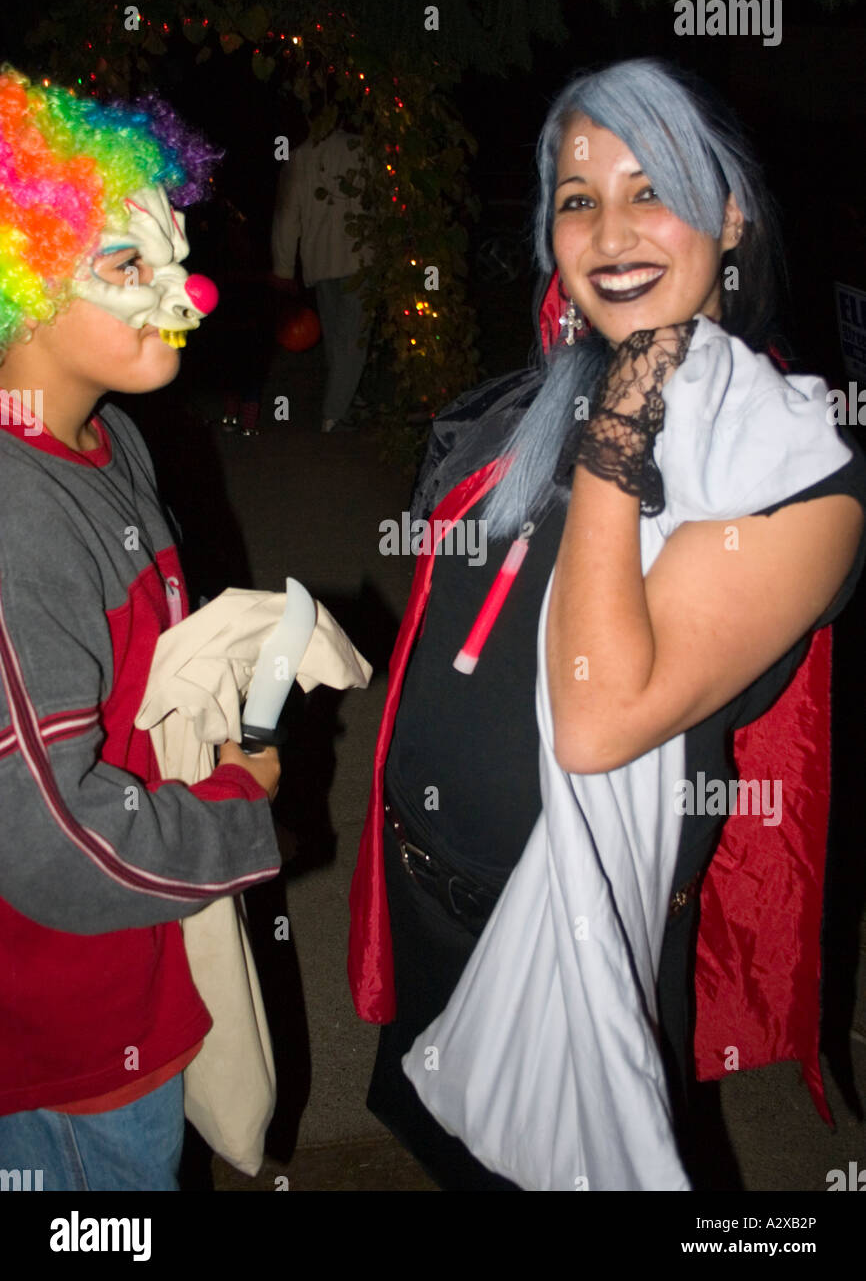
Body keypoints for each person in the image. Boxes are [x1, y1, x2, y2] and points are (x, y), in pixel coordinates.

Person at [349, 57, 866, 1190]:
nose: (611, 228)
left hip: (565, 947)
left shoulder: (785, 468)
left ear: (728, 215)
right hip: (428, 904)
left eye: (653, 188)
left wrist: (627, 404)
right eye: (577, 198)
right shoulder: (515, 409)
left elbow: (595, 717)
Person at [0, 67, 282, 1191]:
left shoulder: (112, 438)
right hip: (65, 1032)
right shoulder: (15, 512)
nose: (187, 290)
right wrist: (233, 804)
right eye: (128, 265)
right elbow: (49, 833)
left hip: (136, 963)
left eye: (173, 252)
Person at [271, 126, 370, 432]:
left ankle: (345, 398)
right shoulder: (362, 149)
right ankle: (334, 414)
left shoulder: (300, 155)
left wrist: (283, 268)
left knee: (337, 337)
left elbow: (287, 215)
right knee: (353, 339)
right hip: (358, 258)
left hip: (320, 261)